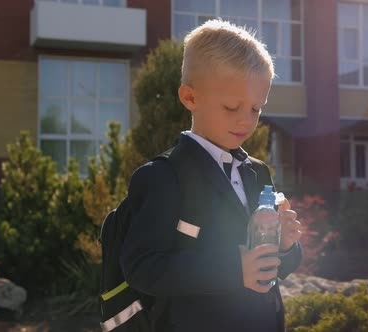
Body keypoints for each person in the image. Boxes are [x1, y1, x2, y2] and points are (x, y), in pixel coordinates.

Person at [120, 19, 303, 331]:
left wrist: (285, 246)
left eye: (256, 109)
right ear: (190, 98)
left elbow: (275, 269)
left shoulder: (258, 172)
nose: (246, 121)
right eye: (232, 107)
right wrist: (235, 268)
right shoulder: (163, 177)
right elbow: (142, 268)